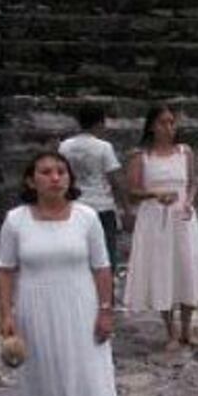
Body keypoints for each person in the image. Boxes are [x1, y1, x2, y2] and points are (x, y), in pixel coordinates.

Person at [0, 153, 122, 396]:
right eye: (46, 172)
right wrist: (6, 313)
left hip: (81, 306)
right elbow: (5, 270)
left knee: (87, 377)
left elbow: (102, 267)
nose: (55, 177)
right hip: (36, 311)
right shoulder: (16, 220)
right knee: (47, 379)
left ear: (69, 178)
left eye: (61, 171)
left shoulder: (86, 217)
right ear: (30, 180)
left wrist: (106, 310)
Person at [123, 105, 198, 350]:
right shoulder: (141, 157)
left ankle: (186, 328)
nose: (169, 127)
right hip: (155, 220)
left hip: (182, 218)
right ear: (152, 125)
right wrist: (154, 194)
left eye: (172, 122)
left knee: (186, 269)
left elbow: (192, 183)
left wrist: (189, 202)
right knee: (163, 270)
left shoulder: (185, 152)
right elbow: (131, 192)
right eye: (163, 122)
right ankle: (170, 331)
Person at [58, 105, 125, 290]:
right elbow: (114, 179)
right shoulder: (104, 147)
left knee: (76, 253)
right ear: (100, 123)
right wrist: (125, 207)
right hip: (101, 206)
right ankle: (105, 295)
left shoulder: (65, 146)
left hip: (74, 205)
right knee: (105, 254)